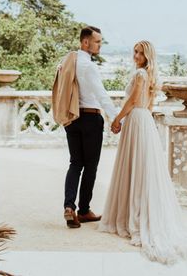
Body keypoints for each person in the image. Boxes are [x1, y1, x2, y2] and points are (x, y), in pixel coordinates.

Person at [98, 41, 187, 264]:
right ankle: (136, 210)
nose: (136, 55)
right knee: (142, 167)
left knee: (135, 166)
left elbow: (132, 101)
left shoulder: (141, 75)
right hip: (145, 121)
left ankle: (132, 217)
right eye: (134, 51)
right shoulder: (151, 76)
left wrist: (117, 118)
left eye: (140, 52)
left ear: (147, 55)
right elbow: (148, 105)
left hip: (136, 120)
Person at [53, 25, 118, 229]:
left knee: (75, 163)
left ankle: (68, 206)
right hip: (90, 118)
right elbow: (101, 94)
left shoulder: (67, 61)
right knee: (90, 166)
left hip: (72, 118)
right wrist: (116, 118)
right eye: (97, 41)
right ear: (85, 42)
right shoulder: (88, 66)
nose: (99, 45)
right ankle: (83, 210)